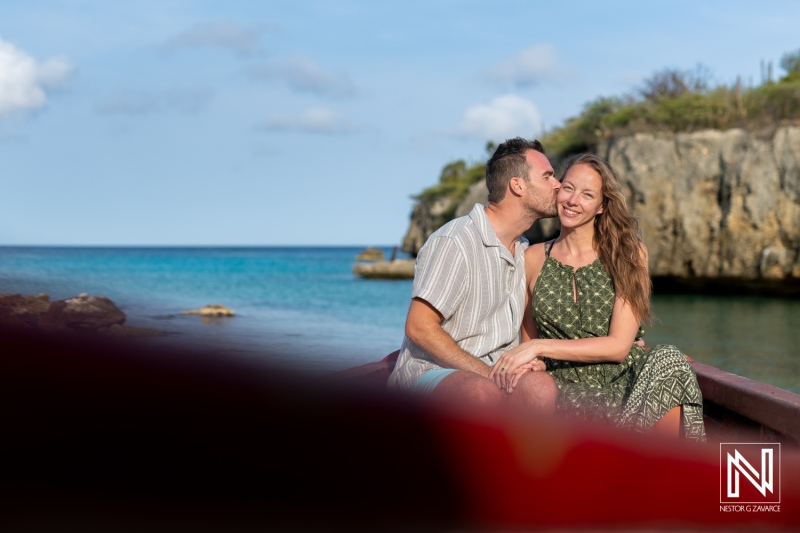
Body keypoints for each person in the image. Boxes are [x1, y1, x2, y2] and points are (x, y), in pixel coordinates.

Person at [490, 153, 705, 440]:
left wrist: (540, 347)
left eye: (587, 194)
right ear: (558, 190)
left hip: (624, 383)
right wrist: (535, 357)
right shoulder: (531, 258)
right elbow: (530, 345)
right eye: (568, 188)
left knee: (669, 358)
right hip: (562, 388)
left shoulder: (629, 253)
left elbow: (618, 346)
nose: (573, 200)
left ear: (602, 206)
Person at [387, 138, 560, 412]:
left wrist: (526, 362)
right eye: (547, 176)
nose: (558, 184)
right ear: (518, 185)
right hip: (431, 372)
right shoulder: (455, 241)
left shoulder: (523, 249)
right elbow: (419, 327)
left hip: (495, 371)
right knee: (480, 393)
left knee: (540, 387)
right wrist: (487, 374)